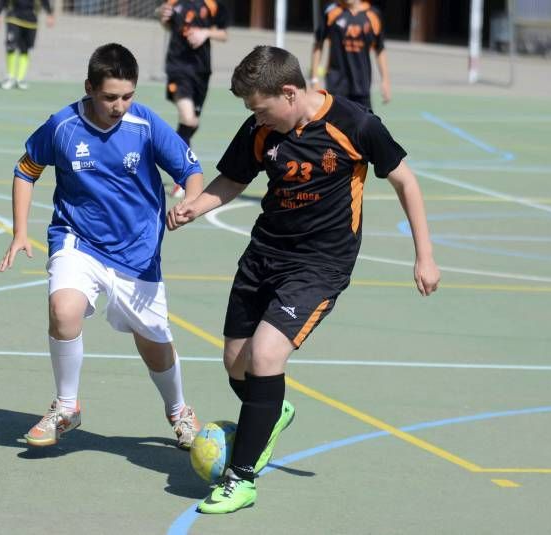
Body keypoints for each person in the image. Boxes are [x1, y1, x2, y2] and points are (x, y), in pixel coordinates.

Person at [168, 45, 439, 514]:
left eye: (260, 108)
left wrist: (425, 256)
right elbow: (232, 180)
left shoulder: (356, 125)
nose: (256, 118)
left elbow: (405, 182)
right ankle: (272, 412)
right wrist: (197, 206)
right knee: (236, 362)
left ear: (289, 93)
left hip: (320, 263)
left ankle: (242, 478)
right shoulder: (261, 128)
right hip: (263, 255)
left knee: (267, 355)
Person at [0, 43, 204, 450]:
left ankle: (179, 411)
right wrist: (21, 231)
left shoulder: (144, 125)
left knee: (155, 345)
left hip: (137, 250)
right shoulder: (63, 126)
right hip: (78, 239)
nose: (120, 105)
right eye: (110, 97)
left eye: (128, 96)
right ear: (90, 88)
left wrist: (189, 203)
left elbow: (191, 170)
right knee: (63, 309)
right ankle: (67, 406)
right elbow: (26, 169)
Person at [158, 0, 228, 197]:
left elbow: (223, 34)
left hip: (201, 71)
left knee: (191, 124)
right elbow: (166, 21)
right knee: (188, 119)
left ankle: (176, 155)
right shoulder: (174, 1)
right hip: (178, 68)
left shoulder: (214, 4)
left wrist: (205, 33)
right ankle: (181, 174)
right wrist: (162, 16)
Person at [311, 0, 391, 111]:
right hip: (336, 85)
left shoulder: (373, 14)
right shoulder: (331, 11)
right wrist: (314, 79)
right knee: (335, 126)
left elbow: (380, 49)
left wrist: (385, 80)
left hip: (361, 86)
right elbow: (318, 44)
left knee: (365, 125)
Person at [0, 0, 54, 90]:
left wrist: (49, 13)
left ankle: (20, 78)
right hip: (13, 18)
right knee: (11, 46)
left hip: (31, 21)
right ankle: (10, 77)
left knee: (25, 49)